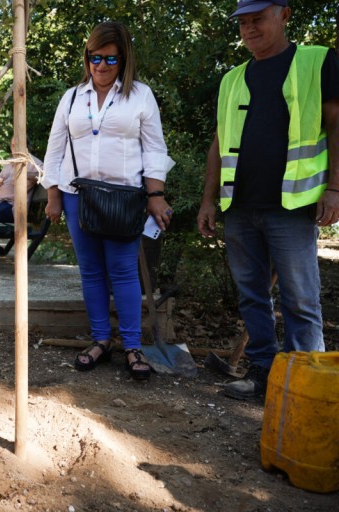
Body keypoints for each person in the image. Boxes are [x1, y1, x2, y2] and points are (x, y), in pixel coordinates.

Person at [197, 0, 339, 400]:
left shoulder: (317, 61)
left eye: (258, 19)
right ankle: (263, 373)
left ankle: (304, 386)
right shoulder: (232, 80)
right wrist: (208, 200)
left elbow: (335, 124)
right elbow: (219, 143)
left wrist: (334, 188)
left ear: (284, 14)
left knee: (301, 300)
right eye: (243, 22)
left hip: (293, 207)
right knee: (252, 295)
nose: (249, 29)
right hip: (240, 206)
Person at [42, 21, 175, 382]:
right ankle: (101, 340)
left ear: (124, 60)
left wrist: (156, 195)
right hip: (76, 197)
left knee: (122, 271)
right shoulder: (71, 97)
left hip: (124, 199)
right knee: (91, 271)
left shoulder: (140, 96)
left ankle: (132, 345)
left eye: (110, 59)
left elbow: (154, 148)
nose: (100, 66)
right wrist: (53, 194)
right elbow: (55, 149)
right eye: (94, 58)